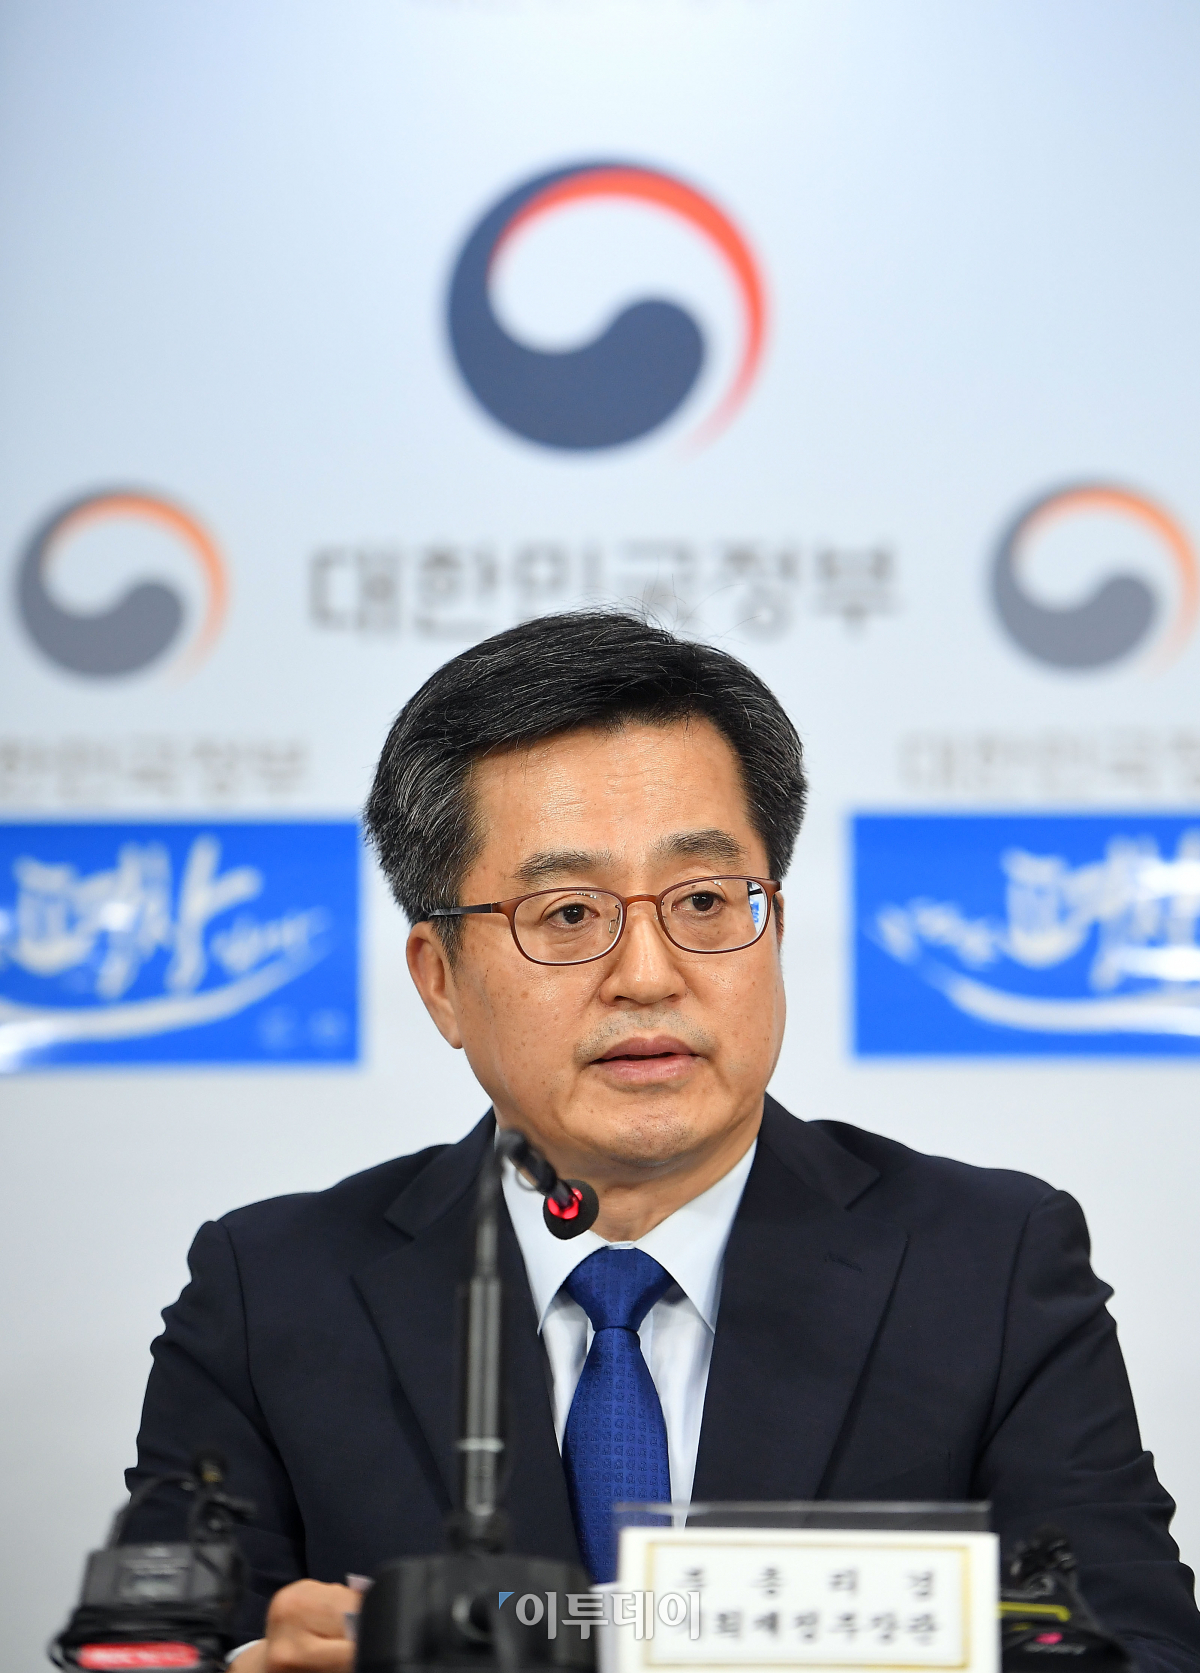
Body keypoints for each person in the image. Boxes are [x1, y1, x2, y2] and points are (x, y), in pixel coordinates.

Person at [126, 611, 1200, 1673]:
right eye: (567, 913)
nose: (647, 973)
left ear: (774, 924)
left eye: (704, 899)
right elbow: (147, 1645)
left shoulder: (988, 1264)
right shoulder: (270, 1293)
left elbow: (1137, 1645)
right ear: (440, 979)